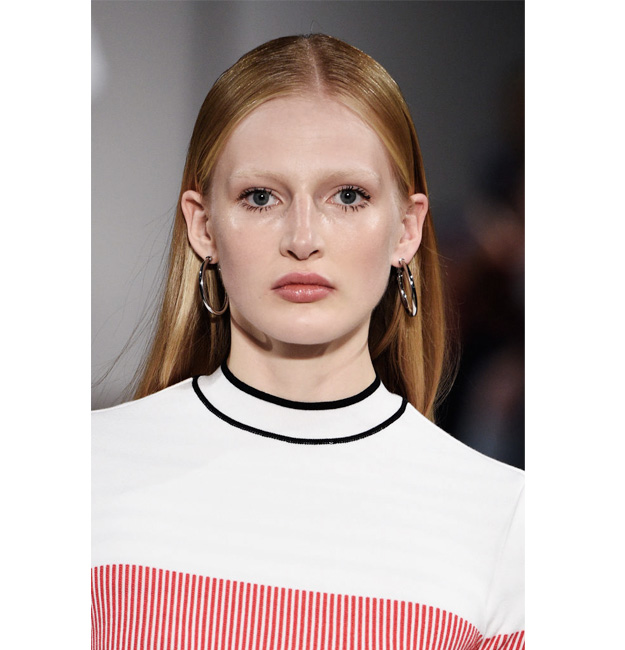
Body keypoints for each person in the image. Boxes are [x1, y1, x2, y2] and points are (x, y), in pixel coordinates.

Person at [92, 34, 524, 649]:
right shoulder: (82, 473)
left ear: (406, 229)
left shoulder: (505, 520)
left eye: (348, 197)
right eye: (260, 197)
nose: (302, 238)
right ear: (203, 226)